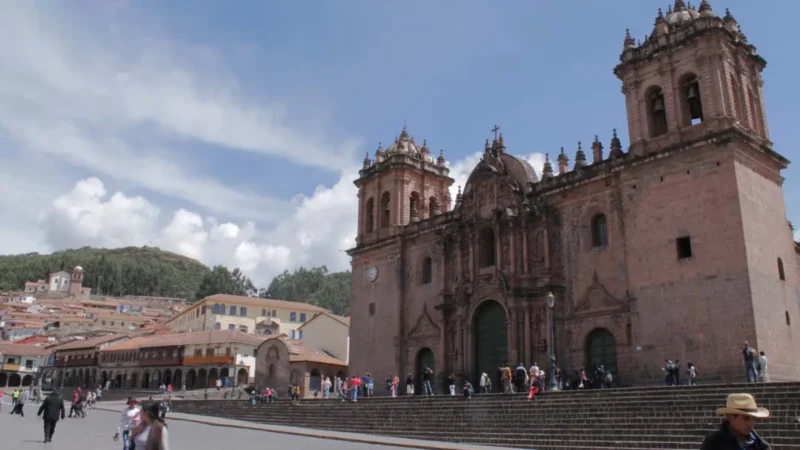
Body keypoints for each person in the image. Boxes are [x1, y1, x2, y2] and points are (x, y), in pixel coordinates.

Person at [701, 393, 770, 450]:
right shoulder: (713, 443)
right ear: (730, 417)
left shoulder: (761, 446)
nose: (751, 423)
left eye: (754, 419)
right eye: (746, 418)